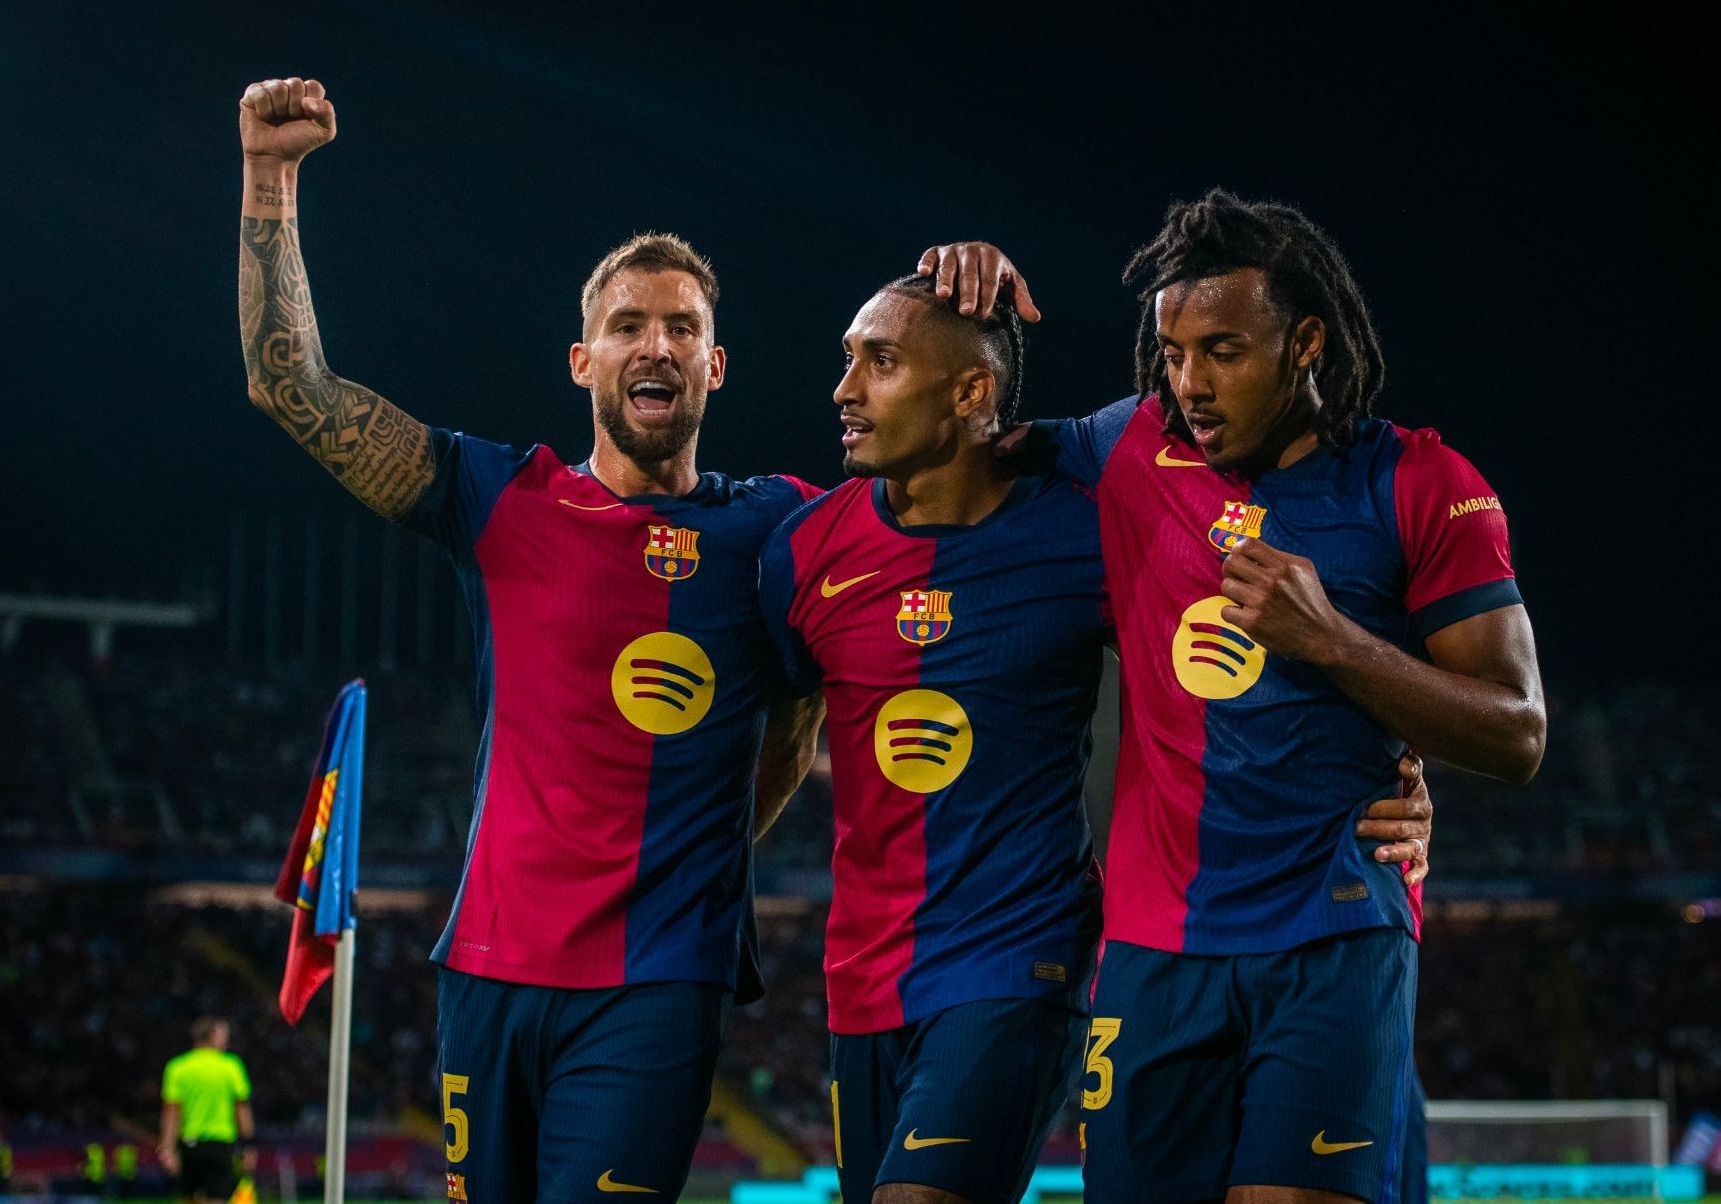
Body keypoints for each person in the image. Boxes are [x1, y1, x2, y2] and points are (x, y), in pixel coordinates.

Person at [236, 77, 823, 1202]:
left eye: (683, 328)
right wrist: (271, 176)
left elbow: (800, 719)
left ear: (715, 366)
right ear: (582, 361)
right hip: (487, 970)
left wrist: (694, 854)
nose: (656, 345)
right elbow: (288, 384)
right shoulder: (502, 496)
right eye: (627, 326)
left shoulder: (779, 527)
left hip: (656, 982)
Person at [758, 273, 1435, 1204]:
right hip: (861, 974)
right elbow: (782, 724)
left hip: (1017, 958)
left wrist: (1391, 769)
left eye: (879, 362)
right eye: (850, 360)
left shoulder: (1090, 532)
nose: (844, 389)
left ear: (970, 391)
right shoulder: (801, 550)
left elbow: (1242, 670)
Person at [922, 192, 1544, 1204]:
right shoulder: (1130, 445)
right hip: (1152, 948)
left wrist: (1332, 640)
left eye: (1222, 351)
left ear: (1307, 342)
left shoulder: (1421, 483)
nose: (1190, 384)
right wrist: (963, 297)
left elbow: (1518, 732)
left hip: (1334, 933)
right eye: (1171, 353)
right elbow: (965, 439)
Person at [158, 1017, 254, 1204]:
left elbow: (171, 1113)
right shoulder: (231, 1066)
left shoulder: (178, 1067)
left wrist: (167, 1148)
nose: (226, 1040)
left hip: (190, 1144)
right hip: (221, 1143)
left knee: (191, 1198)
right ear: (212, 1035)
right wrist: (248, 1145)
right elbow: (242, 1110)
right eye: (224, 1035)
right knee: (216, 1198)